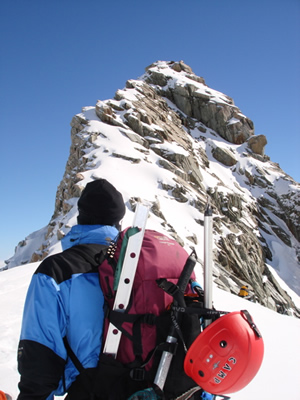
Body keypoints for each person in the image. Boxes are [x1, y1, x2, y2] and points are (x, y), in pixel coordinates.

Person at [17, 179, 126, 400]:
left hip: (89, 391)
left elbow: (40, 358)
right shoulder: (142, 265)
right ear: (118, 222)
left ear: (80, 218)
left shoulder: (56, 271)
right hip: (150, 389)